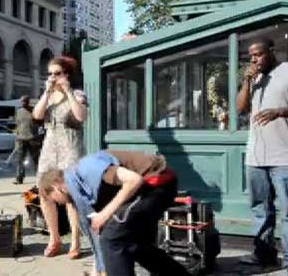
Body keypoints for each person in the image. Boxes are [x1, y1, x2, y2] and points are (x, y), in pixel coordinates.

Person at [236, 39, 288, 276]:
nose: (254, 60)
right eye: (250, 56)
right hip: (255, 157)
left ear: (271, 52)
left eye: (258, 54)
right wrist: (247, 81)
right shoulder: (256, 78)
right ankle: (264, 254)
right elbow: (241, 109)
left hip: (286, 155)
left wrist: (280, 111)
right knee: (260, 209)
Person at [39, 150, 191, 276]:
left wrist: (104, 215)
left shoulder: (87, 170)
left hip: (155, 183)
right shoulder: (80, 185)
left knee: (112, 240)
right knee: (136, 245)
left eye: (54, 199)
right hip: (152, 187)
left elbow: (134, 180)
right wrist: (97, 268)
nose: (59, 204)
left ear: (57, 185)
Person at [32, 56, 87, 259]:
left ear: (67, 74)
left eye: (57, 73)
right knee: (45, 193)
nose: (53, 77)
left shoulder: (78, 94)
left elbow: (81, 116)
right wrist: (47, 92)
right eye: (50, 73)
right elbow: (37, 116)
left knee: (70, 196)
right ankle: (54, 238)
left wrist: (68, 92)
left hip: (71, 149)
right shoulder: (48, 97)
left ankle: (75, 241)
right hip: (49, 149)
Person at [13, 95, 38, 185]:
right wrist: (17, 136)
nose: (23, 103)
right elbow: (17, 125)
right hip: (21, 139)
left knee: (35, 160)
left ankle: (39, 179)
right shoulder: (18, 111)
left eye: (24, 101)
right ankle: (19, 178)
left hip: (32, 139)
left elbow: (40, 123)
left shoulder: (34, 110)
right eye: (21, 101)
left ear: (28, 101)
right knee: (20, 160)